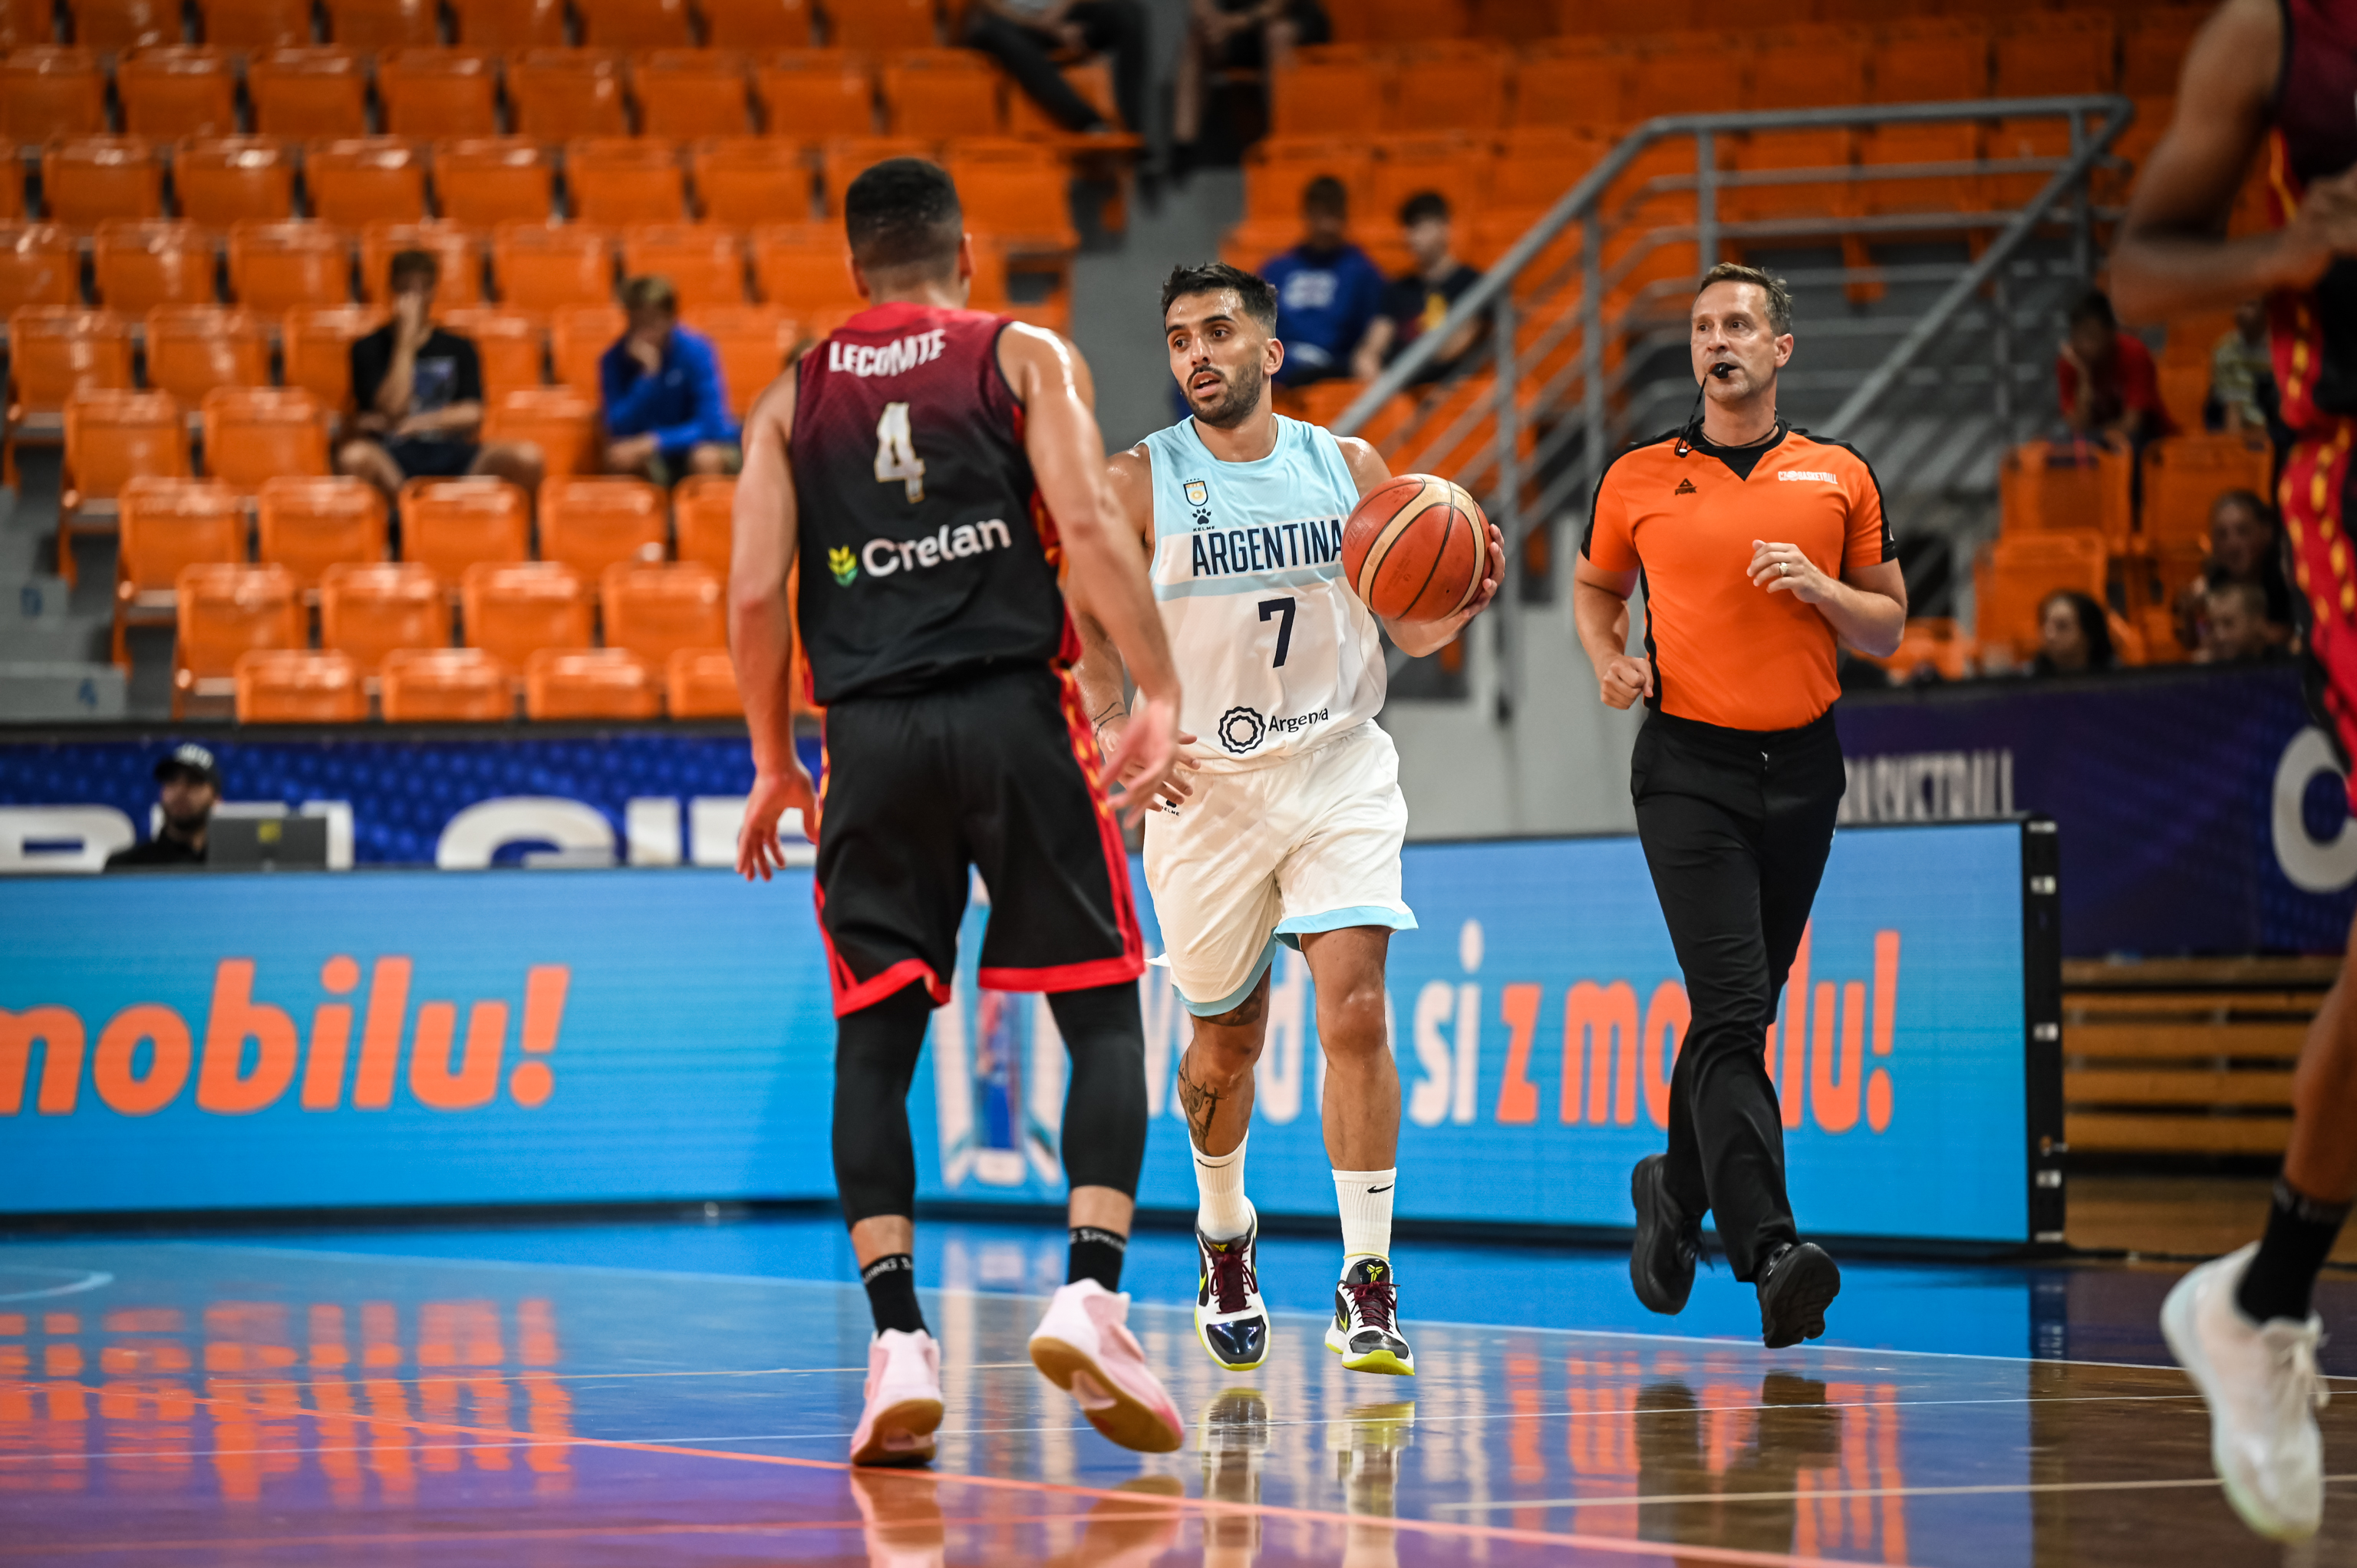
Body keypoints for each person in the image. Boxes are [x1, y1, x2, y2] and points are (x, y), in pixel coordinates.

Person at [727, 157, 1190, 1468]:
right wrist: (1153, 685)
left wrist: (775, 762)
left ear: (855, 265)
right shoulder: (1020, 353)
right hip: (1011, 716)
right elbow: (1091, 522)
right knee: (1100, 1003)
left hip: (866, 733)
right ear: (963, 251)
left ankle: (894, 1345)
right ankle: (1091, 1294)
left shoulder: (790, 394)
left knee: (874, 1036)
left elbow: (756, 597)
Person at [1071, 261, 1502, 1379]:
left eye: (1218, 332)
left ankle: (1368, 1280)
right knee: (1229, 1041)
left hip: (1336, 766)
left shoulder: (1349, 467)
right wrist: (1118, 714)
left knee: (1354, 1008)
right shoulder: (1138, 482)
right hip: (1206, 788)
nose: (1196, 354)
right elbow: (1087, 617)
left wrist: (1454, 596)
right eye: (1178, 339)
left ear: (1271, 350)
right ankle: (1224, 1234)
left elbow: (1405, 635)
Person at [2110, 0, 2357, 1542]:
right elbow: (2140, 269)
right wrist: (2281, 257)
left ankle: (2260, 1295)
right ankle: (2257, 1295)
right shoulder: (2276, 40)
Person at [1571, 262, 1906, 1350]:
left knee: (1742, 1014)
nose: (1719, 340)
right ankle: (1771, 1250)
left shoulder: (1838, 475)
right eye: (1704, 326)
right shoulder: (1636, 478)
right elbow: (1593, 588)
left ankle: (1673, 1190)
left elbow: (1889, 626)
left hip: (1804, 769)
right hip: (1688, 770)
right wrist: (1607, 656)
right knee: (1730, 1009)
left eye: (1740, 324)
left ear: (1779, 349)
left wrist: (1823, 590)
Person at [337, 249, 543, 500]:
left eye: (422, 288)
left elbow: (473, 412)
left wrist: (416, 423)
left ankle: (521, 535)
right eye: (406, 290)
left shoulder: (459, 347)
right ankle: (392, 529)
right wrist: (405, 343)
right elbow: (391, 408)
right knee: (354, 457)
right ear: (392, 289)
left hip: (454, 457)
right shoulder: (368, 348)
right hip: (394, 460)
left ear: (433, 290)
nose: (414, 299)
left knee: (527, 457)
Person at [599, 276, 740, 485]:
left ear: (670, 319)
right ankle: (651, 518)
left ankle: (708, 515)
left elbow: (712, 425)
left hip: (698, 445)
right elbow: (617, 427)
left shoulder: (698, 350)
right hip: (651, 456)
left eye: (650, 321)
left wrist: (655, 442)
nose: (641, 331)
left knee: (705, 459)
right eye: (635, 322)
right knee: (619, 458)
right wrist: (647, 378)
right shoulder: (613, 359)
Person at [1173, 1, 1330, 174]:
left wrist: (1232, 23)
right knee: (1197, 37)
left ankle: (1281, 140)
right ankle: (1184, 146)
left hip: (1293, 18)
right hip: (1242, 27)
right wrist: (1208, 20)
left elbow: (1279, 7)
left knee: (1276, 33)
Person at [1350, 191, 1488, 387]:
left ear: (1444, 228)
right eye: (1408, 228)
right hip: (1398, 389)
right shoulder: (1398, 288)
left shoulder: (1472, 283)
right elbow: (1371, 348)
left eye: (1419, 227)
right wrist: (1373, 371)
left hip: (1447, 390)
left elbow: (1457, 344)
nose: (1410, 237)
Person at [1261, 176, 1386, 390]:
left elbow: (1376, 322)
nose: (1326, 224)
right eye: (1319, 214)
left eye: (1332, 214)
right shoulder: (1278, 268)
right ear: (1307, 215)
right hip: (1279, 357)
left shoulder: (1360, 270)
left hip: (1330, 365)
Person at [963, 0, 1147, 142]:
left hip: (1058, 18)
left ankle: (1133, 129)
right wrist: (1051, 28)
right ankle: (1089, 123)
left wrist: (1057, 16)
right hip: (1008, 22)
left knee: (1128, 13)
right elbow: (988, 5)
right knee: (994, 30)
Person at [2176, 489, 2294, 651]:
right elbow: (2198, 642)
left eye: (2242, 531)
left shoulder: (2290, 576)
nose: (2232, 545)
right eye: (2222, 534)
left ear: (2267, 532)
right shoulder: (2215, 580)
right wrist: (2189, 616)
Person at [2056, 288, 2177, 444]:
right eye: (2076, 335)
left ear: (2110, 333)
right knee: (2059, 449)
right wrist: (2084, 377)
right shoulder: (2070, 362)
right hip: (2098, 440)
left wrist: (2095, 438)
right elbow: (2078, 428)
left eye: (2090, 336)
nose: (2082, 344)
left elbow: (2132, 424)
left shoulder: (2135, 353)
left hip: (2147, 437)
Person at [104, 743, 219, 870]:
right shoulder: (126, 866)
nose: (180, 790)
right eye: (171, 780)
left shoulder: (232, 867)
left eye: (194, 780)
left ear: (216, 799)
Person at [2209, 300, 2275, 432]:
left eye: (2250, 304)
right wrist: (2237, 448)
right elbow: (2233, 408)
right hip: (2248, 432)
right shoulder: (2225, 349)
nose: (2241, 311)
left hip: (2280, 430)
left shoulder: (2283, 349)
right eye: (2239, 303)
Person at [2031, 590, 2115, 677]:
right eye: (2044, 623)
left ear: (2089, 633)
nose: (2049, 635)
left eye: (2062, 626)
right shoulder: (2027, 680)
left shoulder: (2118, 678)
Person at [2198, 579, 2283, 664]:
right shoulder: (2209, 668)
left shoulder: (2285, 666)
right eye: (2212, 626)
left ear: (2257, 621)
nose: (2220, 636)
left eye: (2228, 623)